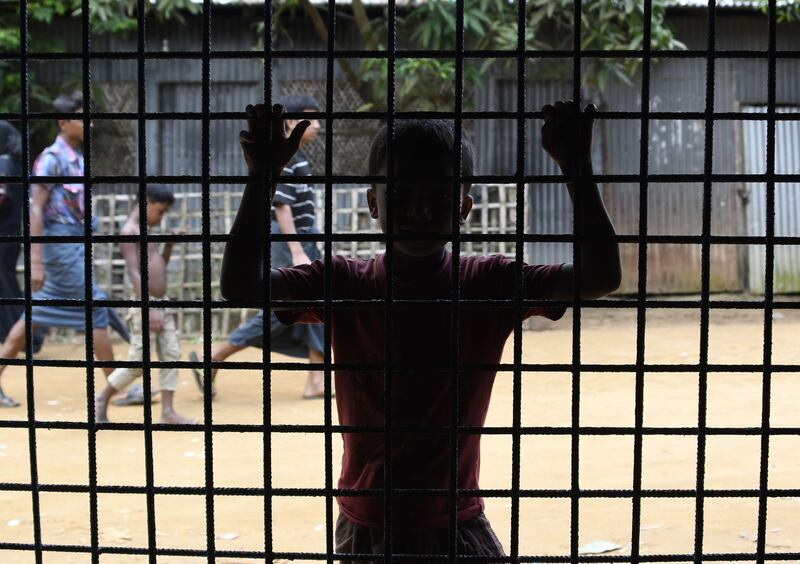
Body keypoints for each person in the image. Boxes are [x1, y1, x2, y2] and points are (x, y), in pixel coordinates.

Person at [221, 100, 621, 560]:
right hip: (389, 523)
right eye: (403, 193)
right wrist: (264, 178)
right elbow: (241, 286)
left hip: (438, 522)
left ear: (464, 207)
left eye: (438, 195)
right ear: (374, 203)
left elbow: (601, 277)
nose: (420, 209)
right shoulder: (345, 282)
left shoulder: (487, 281)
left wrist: (578, 166)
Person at [189, 94, 326, 400]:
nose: (317, 126)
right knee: (278, 306)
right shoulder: (290, 162)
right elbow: (282, 207)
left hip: (303, 240)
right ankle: (215, 357)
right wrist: (297, 251)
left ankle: (316, 379)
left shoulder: (300, 159)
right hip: (294, 242)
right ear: (290, 121)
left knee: (316, 301)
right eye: (311, 119)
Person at [0, 91, 128, 408]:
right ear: (63, 122)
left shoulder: (77, 159)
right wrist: (37, 260)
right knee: (96, 308)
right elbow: (35, 209)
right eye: (82, 117)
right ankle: (115, 390)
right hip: (58, 246)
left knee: (30, 319)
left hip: (73, 244)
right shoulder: (52, 159)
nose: (90, 124)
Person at [94, 184, 194, 424]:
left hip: (161, 303)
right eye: (160, 211)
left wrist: (169, 244)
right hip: (145, 304)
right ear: (145, 202)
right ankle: (103, 397)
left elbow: (159, 265)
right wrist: (149, 309)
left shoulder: (147, 230)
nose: (162, 217)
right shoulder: (130, 231)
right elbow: (134, 272)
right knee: (138, 361)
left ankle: (168, 412)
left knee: (171, 353)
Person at [0, 121, 45, 354]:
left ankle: (28, 337)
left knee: (6, 287)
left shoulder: (3, 164)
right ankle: (23, 335)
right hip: (11, 234)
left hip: (3, 236)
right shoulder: (17, 165)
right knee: (7, 285)